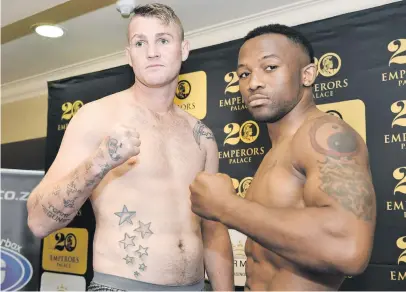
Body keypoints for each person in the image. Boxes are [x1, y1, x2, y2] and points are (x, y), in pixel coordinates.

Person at [27, 3, 234, 291]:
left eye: (163, 39)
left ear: (183, 49)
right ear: (129, 56)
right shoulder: (96, 117)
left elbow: (213, 229)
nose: (152, 51)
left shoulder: (203, 136)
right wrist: (100, 161)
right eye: (140, 42)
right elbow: (39, 222)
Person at [189, 24, 376, 291]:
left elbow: (348, 248)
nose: (253, 83)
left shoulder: (323, 135)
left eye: (270, 67)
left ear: (307, 74)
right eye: (244, 73)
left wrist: (225, 206)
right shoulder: (277, 152)